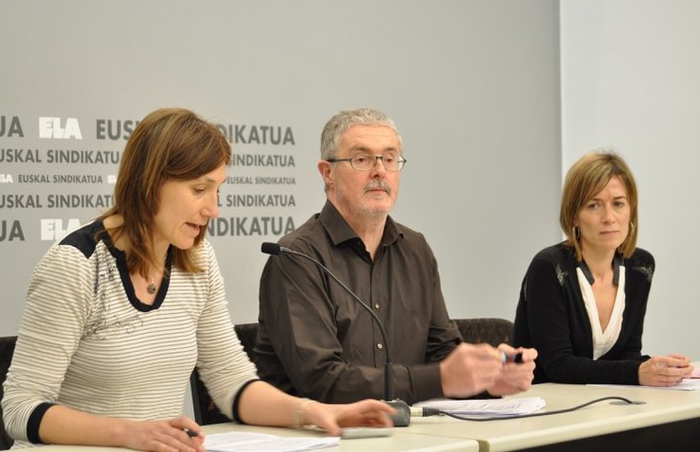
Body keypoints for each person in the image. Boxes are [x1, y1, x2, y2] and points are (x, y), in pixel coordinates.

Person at [1, 108, 394, 451]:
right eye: (199, 189)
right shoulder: (76, 265)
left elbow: (230, 381)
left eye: (218, 189)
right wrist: (129, 434)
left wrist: (315, 413)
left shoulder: (197, 258)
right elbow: (21, 409)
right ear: (149, 182)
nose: (214, 209)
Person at [253, 107, 536, 405]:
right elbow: (322, 381)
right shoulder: (297, 257)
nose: (380, 171)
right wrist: (442, 377)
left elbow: (440, 354)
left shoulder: (415, 249)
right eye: (361, 159)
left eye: (389, 159)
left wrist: (489, 378)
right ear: (328, 173)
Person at [513, 150, 693, 385]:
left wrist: (659, 368)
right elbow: (557, 365)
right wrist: (636, 373)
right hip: (546, 406)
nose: (609, 217)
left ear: (631, 211)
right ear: (574, 215)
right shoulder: (549, 268)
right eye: (594, 205)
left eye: (618, 204)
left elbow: (627, 352)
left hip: (604, 404)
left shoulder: (641, 267)